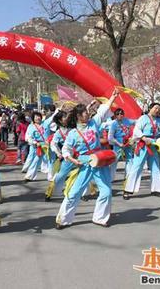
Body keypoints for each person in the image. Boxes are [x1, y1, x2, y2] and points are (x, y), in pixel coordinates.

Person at [55, 89, 120, 229]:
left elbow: (102, 111)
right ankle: (63, 219)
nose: (88, 113)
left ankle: (100, 218)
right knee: (74, 193)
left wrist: (112, 97)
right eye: (85, 112)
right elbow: (66, 149)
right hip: (85, 163)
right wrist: (72, 160)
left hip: (100, 161)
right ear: (79, 116)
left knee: (106, 191)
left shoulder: (94, 123)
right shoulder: (72, 133)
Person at [122, 103, 160, 200]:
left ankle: (157, 189)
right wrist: (144, 138)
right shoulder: (143, 118)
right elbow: (137, 130)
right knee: (137, 166)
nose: (157, 110)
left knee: (155, 167)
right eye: (156, 108)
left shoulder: (159, 120)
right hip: (143, 143)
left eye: (159, 109)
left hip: (154, 144)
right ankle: (128, 189)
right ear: (150, 108)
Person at [107, 108, 136, 182]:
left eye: (121, 113)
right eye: (118, 114)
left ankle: (128, 177)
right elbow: (110, 137)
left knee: (129, 159)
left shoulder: (127, 120)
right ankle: (110, 178)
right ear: (115, 115)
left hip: (127, 143)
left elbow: (137, 122)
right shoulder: (113, 124)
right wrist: (118, 143)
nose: (120, 115)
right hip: (118, 145)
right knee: (114, 161)